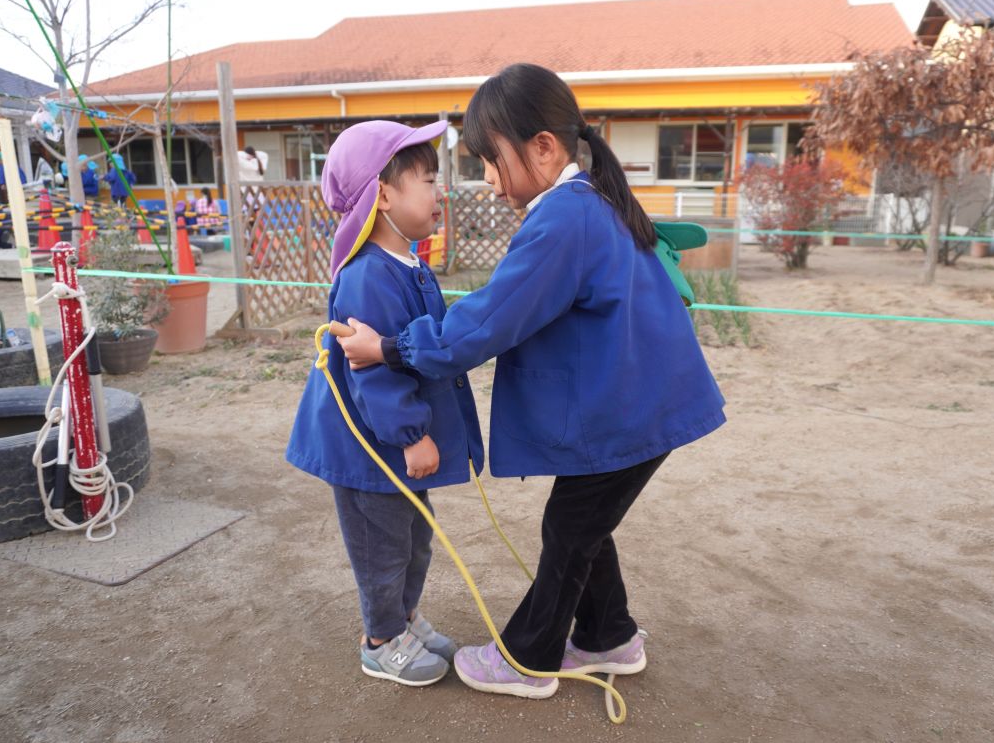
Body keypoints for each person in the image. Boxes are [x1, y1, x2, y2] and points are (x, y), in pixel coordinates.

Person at [339, 64, 727, 700]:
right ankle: (608, 636)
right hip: (638, 403)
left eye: (490, 161)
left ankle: (528, 657)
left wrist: (387, 347)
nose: (489, 181)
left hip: (626, 413)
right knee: (582, 523)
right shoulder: (593, 199)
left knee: (570, 531)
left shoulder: (564, 218)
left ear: (542, 147)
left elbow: (490, 318)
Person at [285, 119, 484, 688]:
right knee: (383, 545)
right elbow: (370, 370)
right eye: (428, 180)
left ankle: (404, 617)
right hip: (371, 448)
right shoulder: (368, 275)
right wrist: (412, 434)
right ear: (383, 194)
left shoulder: (410, 264)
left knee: (415, 537)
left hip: (392, 446)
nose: (439, 192)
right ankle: (380, 640)